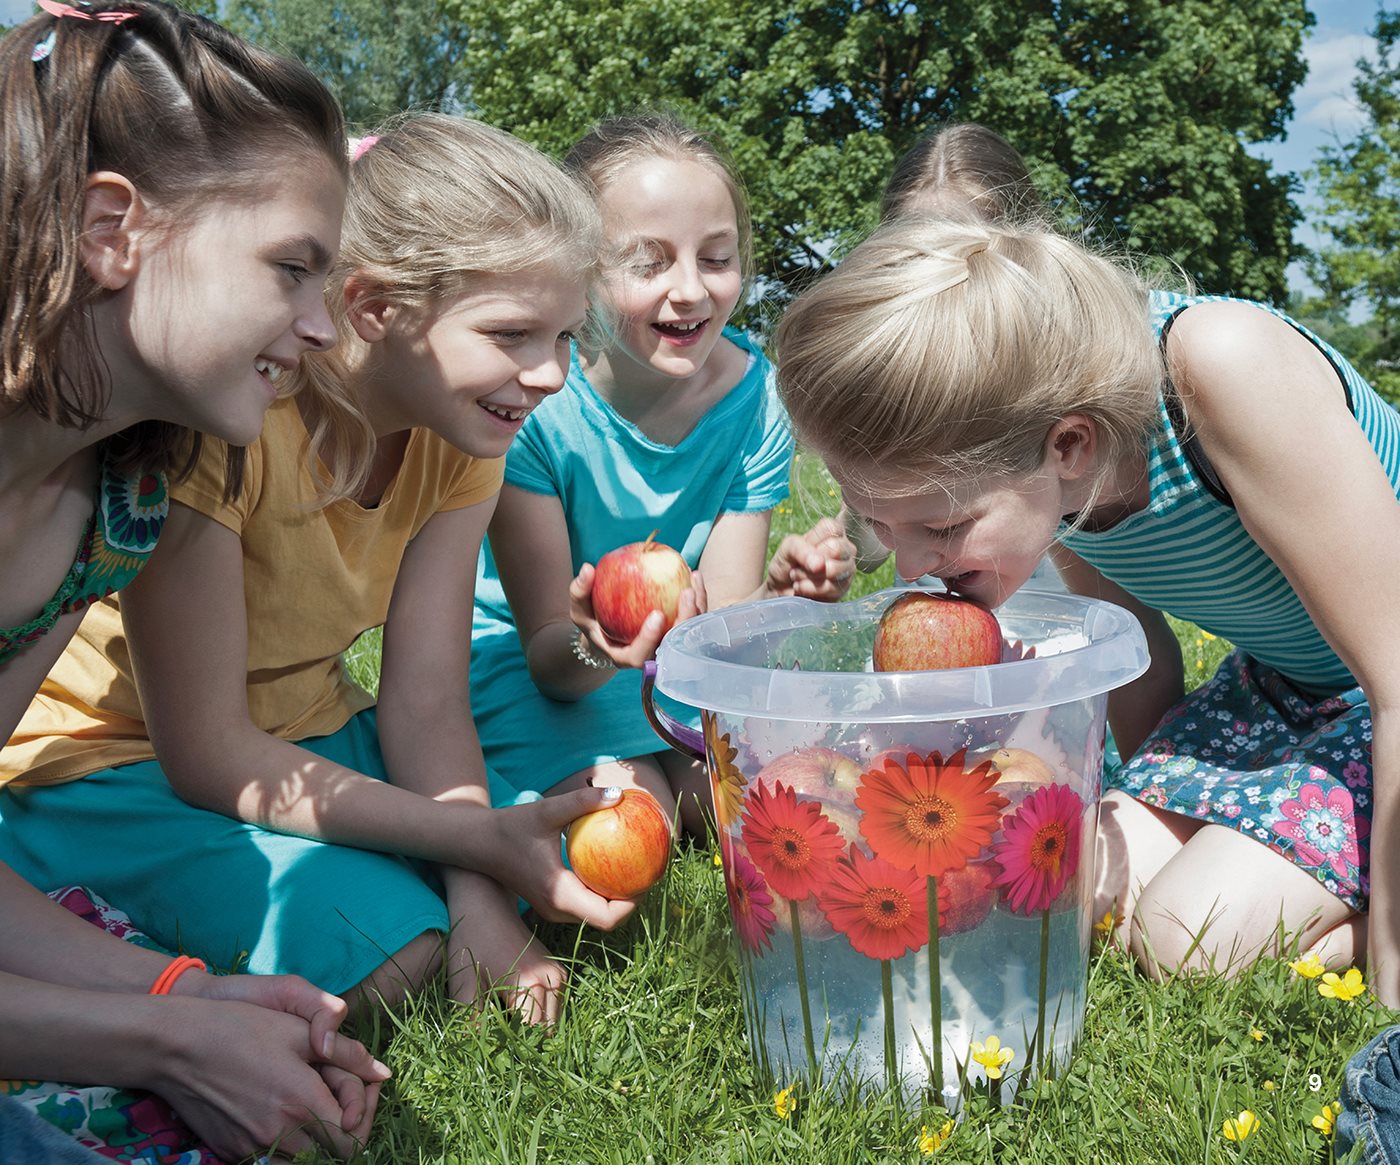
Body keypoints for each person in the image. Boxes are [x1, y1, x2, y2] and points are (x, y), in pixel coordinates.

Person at [0, 112, 638, 1035]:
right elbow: (207, 749)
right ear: (376, 308)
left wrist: (477, 885)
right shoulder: (229, 420)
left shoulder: (468, 444)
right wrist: (472, 846)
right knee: (393, 957)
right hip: (113, 764)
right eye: (512, 334)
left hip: (314, 731)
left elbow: (423, 702)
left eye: (567, 337)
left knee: (551, 861)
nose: (551, 376)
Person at [771, 214, 1400, 1004]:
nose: (909, 565)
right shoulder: (1058, 456)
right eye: (882, 523)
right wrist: (1166, 807)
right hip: (1290, 690)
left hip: (1384, 689)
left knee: (1185, 939)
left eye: (940, 526)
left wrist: (1391, 979)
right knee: (1076, 878)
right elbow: (1142, 659)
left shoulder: (1220, 368)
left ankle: (1362, 912)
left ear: (1068, 445)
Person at [0, 1, 387, 1159]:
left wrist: (186, 995)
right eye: (291, 269)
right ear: (110, 228)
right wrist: (159, 1042)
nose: (321, 327)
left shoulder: (110, 511)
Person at [470, 114, 855, 838]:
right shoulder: (537, 404)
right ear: (579, 270)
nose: (691, 292)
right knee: (631, 815)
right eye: (649, 262)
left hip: (677, 671)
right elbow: (553, 656)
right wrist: (598, 644)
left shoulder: (755, 403)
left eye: (716, 258)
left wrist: (777, 593)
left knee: (786, 816)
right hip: (543, 671)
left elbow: (722, 628)